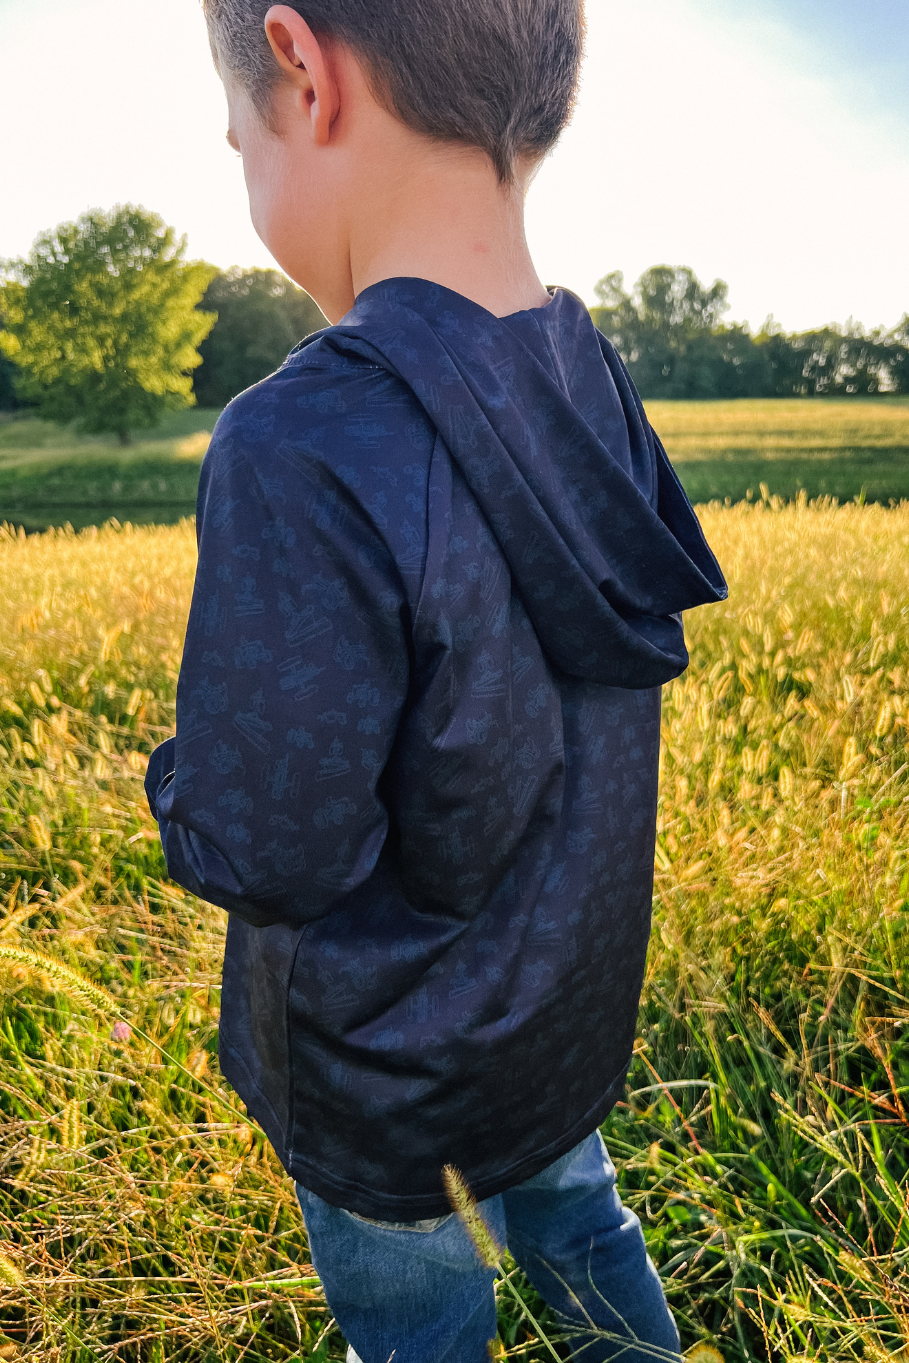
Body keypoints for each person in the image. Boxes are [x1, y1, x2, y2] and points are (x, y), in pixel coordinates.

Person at [145, 2, 727, 1358]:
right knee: (586, 1223)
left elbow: (274, 846)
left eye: (241, 146)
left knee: (416, 1326)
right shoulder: (590, 368)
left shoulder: (303, 437)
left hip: (385, 1074)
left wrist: (178, 776)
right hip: (560, 1024)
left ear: (302, 69)